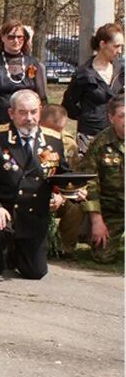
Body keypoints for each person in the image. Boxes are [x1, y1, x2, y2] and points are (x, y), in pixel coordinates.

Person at [0, 89, 71, 282]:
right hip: (4, 208)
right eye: (23, 112)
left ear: (40, 111)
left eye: (34, 112)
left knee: (35, 273)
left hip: (34, 212)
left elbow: (63, 174)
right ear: (11, 113)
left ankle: (16, 252)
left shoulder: (53, 139)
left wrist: (63, 194)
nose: (29, 118)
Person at [62, 23, 125, 157]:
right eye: (116, 46)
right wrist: (88, 115)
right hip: (90, 135)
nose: (120, 51)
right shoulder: (84, 74)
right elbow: (68, 104)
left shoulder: (121, 71)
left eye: (121, 46)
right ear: (103, 44)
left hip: (119, 133)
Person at [79, 95, 124, 264]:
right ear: (111, 118)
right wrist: (97, 221)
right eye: (122, 116)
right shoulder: (100, 144)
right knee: (103, 256)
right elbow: (89, 183)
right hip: (113, 209)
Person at [0, 20, 47, 127]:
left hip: (25, 120)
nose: (16, 40)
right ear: (3, 38)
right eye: (11, 37)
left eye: (20, 37)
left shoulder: (32, 62)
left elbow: (41, 96)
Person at [40, 103, 83, 257]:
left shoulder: (69, 144)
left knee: (76, 204)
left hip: (57, 195)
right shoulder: (30, 139)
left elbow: (70, 179)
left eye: (61, 130)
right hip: (33, 194)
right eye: (52, 130)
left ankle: (64, 248)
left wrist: (62, 196)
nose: (57, 135)